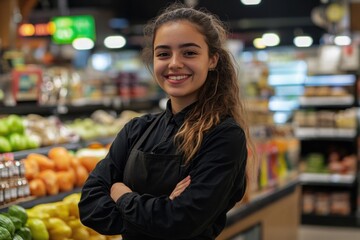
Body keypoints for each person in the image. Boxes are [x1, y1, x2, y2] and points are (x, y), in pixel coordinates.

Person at [78, 2, 256, 240]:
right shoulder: (136, 129)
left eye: (189, 52)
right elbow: (89, 207)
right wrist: (162, 209)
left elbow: (180, 222)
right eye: (163, 53)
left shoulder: (224, 136)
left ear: (212, 59)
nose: (174, 63)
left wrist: (122, 195)